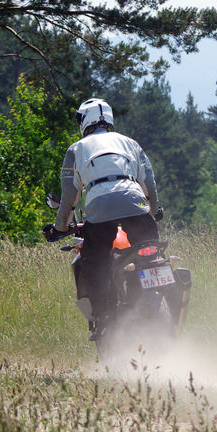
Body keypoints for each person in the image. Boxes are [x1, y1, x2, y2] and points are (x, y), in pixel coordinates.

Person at [46, 98, 161, 338]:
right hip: (135, 201)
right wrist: (153, 209)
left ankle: (105, 319)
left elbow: (69, 196)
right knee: (150, 253)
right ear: (108, 118)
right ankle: (146, 301)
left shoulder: (76, 149)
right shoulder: (130, 143)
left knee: (95, 263)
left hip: (99, 206)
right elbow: (148, 182)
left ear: (85, 121)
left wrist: (60, 226)